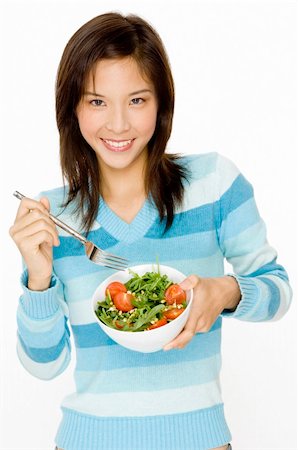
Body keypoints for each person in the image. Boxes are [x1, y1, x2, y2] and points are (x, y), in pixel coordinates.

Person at [9, 12, 292, 450]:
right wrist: (39, 278)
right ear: (72, 109)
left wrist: (226, 291)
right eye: (97, 102)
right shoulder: (54, 216)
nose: (118, 124)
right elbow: (44, 366)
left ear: (161, 104)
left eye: (137, 100)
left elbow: (278, 292)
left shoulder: (214, 184)